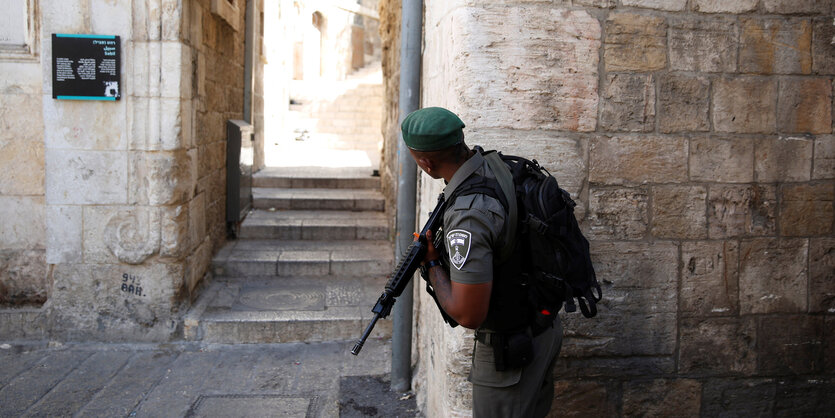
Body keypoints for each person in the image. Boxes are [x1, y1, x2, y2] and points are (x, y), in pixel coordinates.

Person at [401, 107, 563, 417]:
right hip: (540, 327)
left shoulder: (469, 216)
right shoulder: (492, 166)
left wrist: (433, 264)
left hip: (512, 350)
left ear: (426, 163)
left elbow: (469, 312)